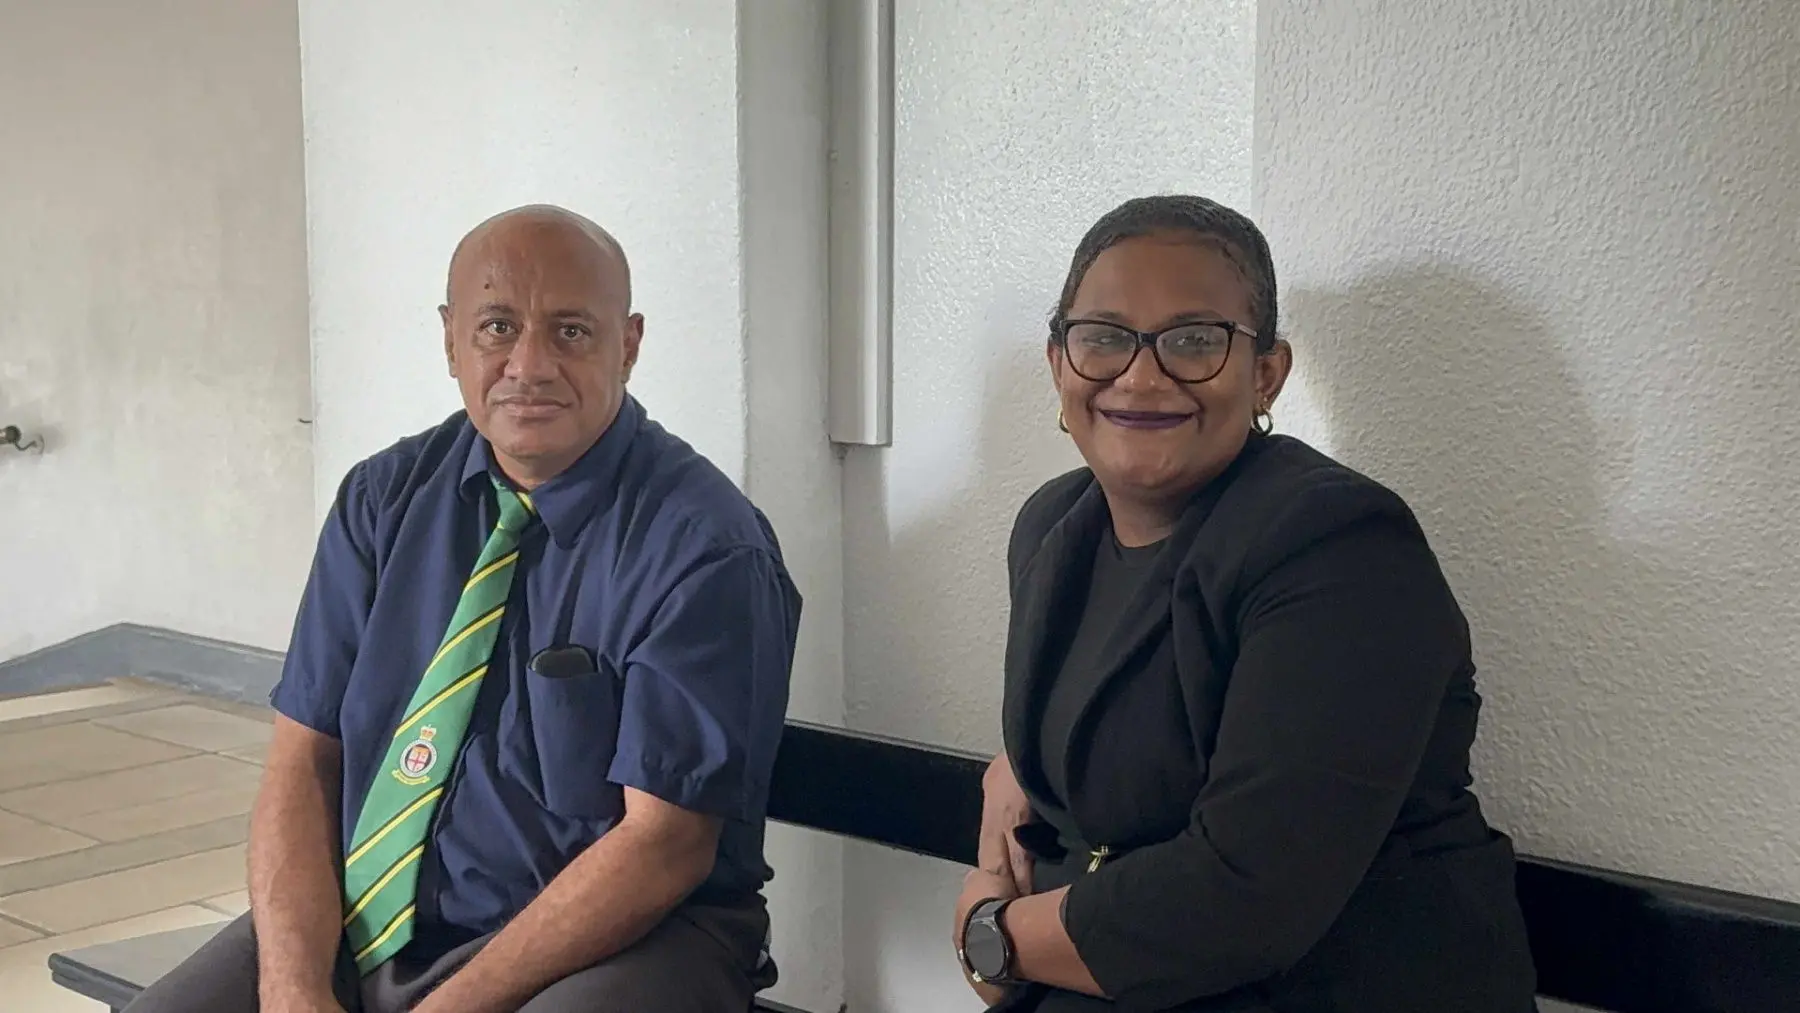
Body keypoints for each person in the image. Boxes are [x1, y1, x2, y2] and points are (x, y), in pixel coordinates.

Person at [127, 204, 801, 1013]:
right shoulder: (382, 501)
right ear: (452, 340)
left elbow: (664, 848)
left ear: (628, 344)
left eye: (571, 332)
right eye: (497, 327)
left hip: (624, 940)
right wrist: (294, 988)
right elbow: (302, 762)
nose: (529, 364)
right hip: (371, 918)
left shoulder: (705, 548)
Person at [950, 195, 1538, 1012]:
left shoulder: (1341, 547)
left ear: (1266, 373)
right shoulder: (1053, 527)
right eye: (1104, 336)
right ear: (1059, 363)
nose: (1141, 375)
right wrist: (1018, 762)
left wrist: (996, 934)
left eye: (1195, 340)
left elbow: (1242, 894)